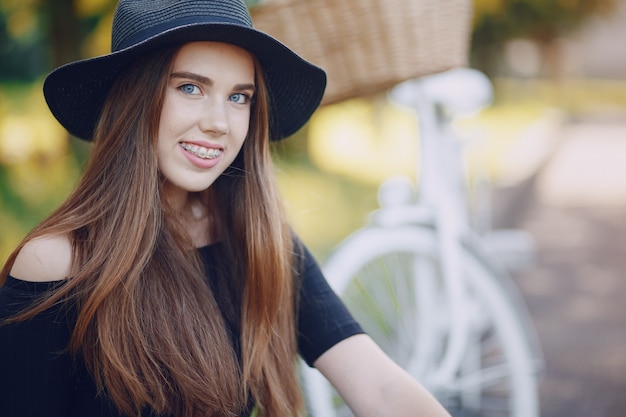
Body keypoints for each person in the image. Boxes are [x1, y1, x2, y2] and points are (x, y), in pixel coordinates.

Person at [0, 1, 451, 416]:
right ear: (134, 99)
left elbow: (381, 388)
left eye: (239, 97)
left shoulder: (259, 244)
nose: (218, 123)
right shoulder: (57, 263)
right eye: (191, 88)